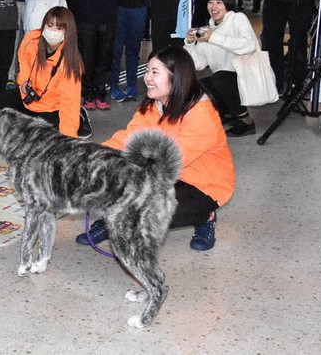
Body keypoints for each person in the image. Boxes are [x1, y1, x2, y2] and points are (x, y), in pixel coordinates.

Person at [78, 46, 236, 252]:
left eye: (155, 72)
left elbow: (173, 159)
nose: (147, 78)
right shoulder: (154, 106)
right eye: (147, 71)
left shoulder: (201, 113)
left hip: (202, 186)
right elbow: (129, 138)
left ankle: (205, 216)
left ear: (176, 77)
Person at [0, 6, 91, 139]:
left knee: (40, 140)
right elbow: (23, 61)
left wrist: (68, 143)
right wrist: (23, 82)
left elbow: (69, 102)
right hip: (28, 97)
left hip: (51, 107)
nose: (53, 31)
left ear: (67, 32)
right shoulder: (31, 39)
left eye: (59, 28)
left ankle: (80, 115)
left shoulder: (71, 62)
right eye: (50, 25)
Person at [184, 0, 258, 136]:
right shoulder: (208, 30)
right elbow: (199, 64)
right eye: (210, 2)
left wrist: (213, 38)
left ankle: (246, 121)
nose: (213, 6)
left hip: (246, 76)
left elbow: (248, 45)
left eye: (219, 2)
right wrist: (189, 43)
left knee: (221, 78)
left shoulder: (237, 19)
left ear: (228, 4)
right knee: (201, 84)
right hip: (224, 79)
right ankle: (228, 114)